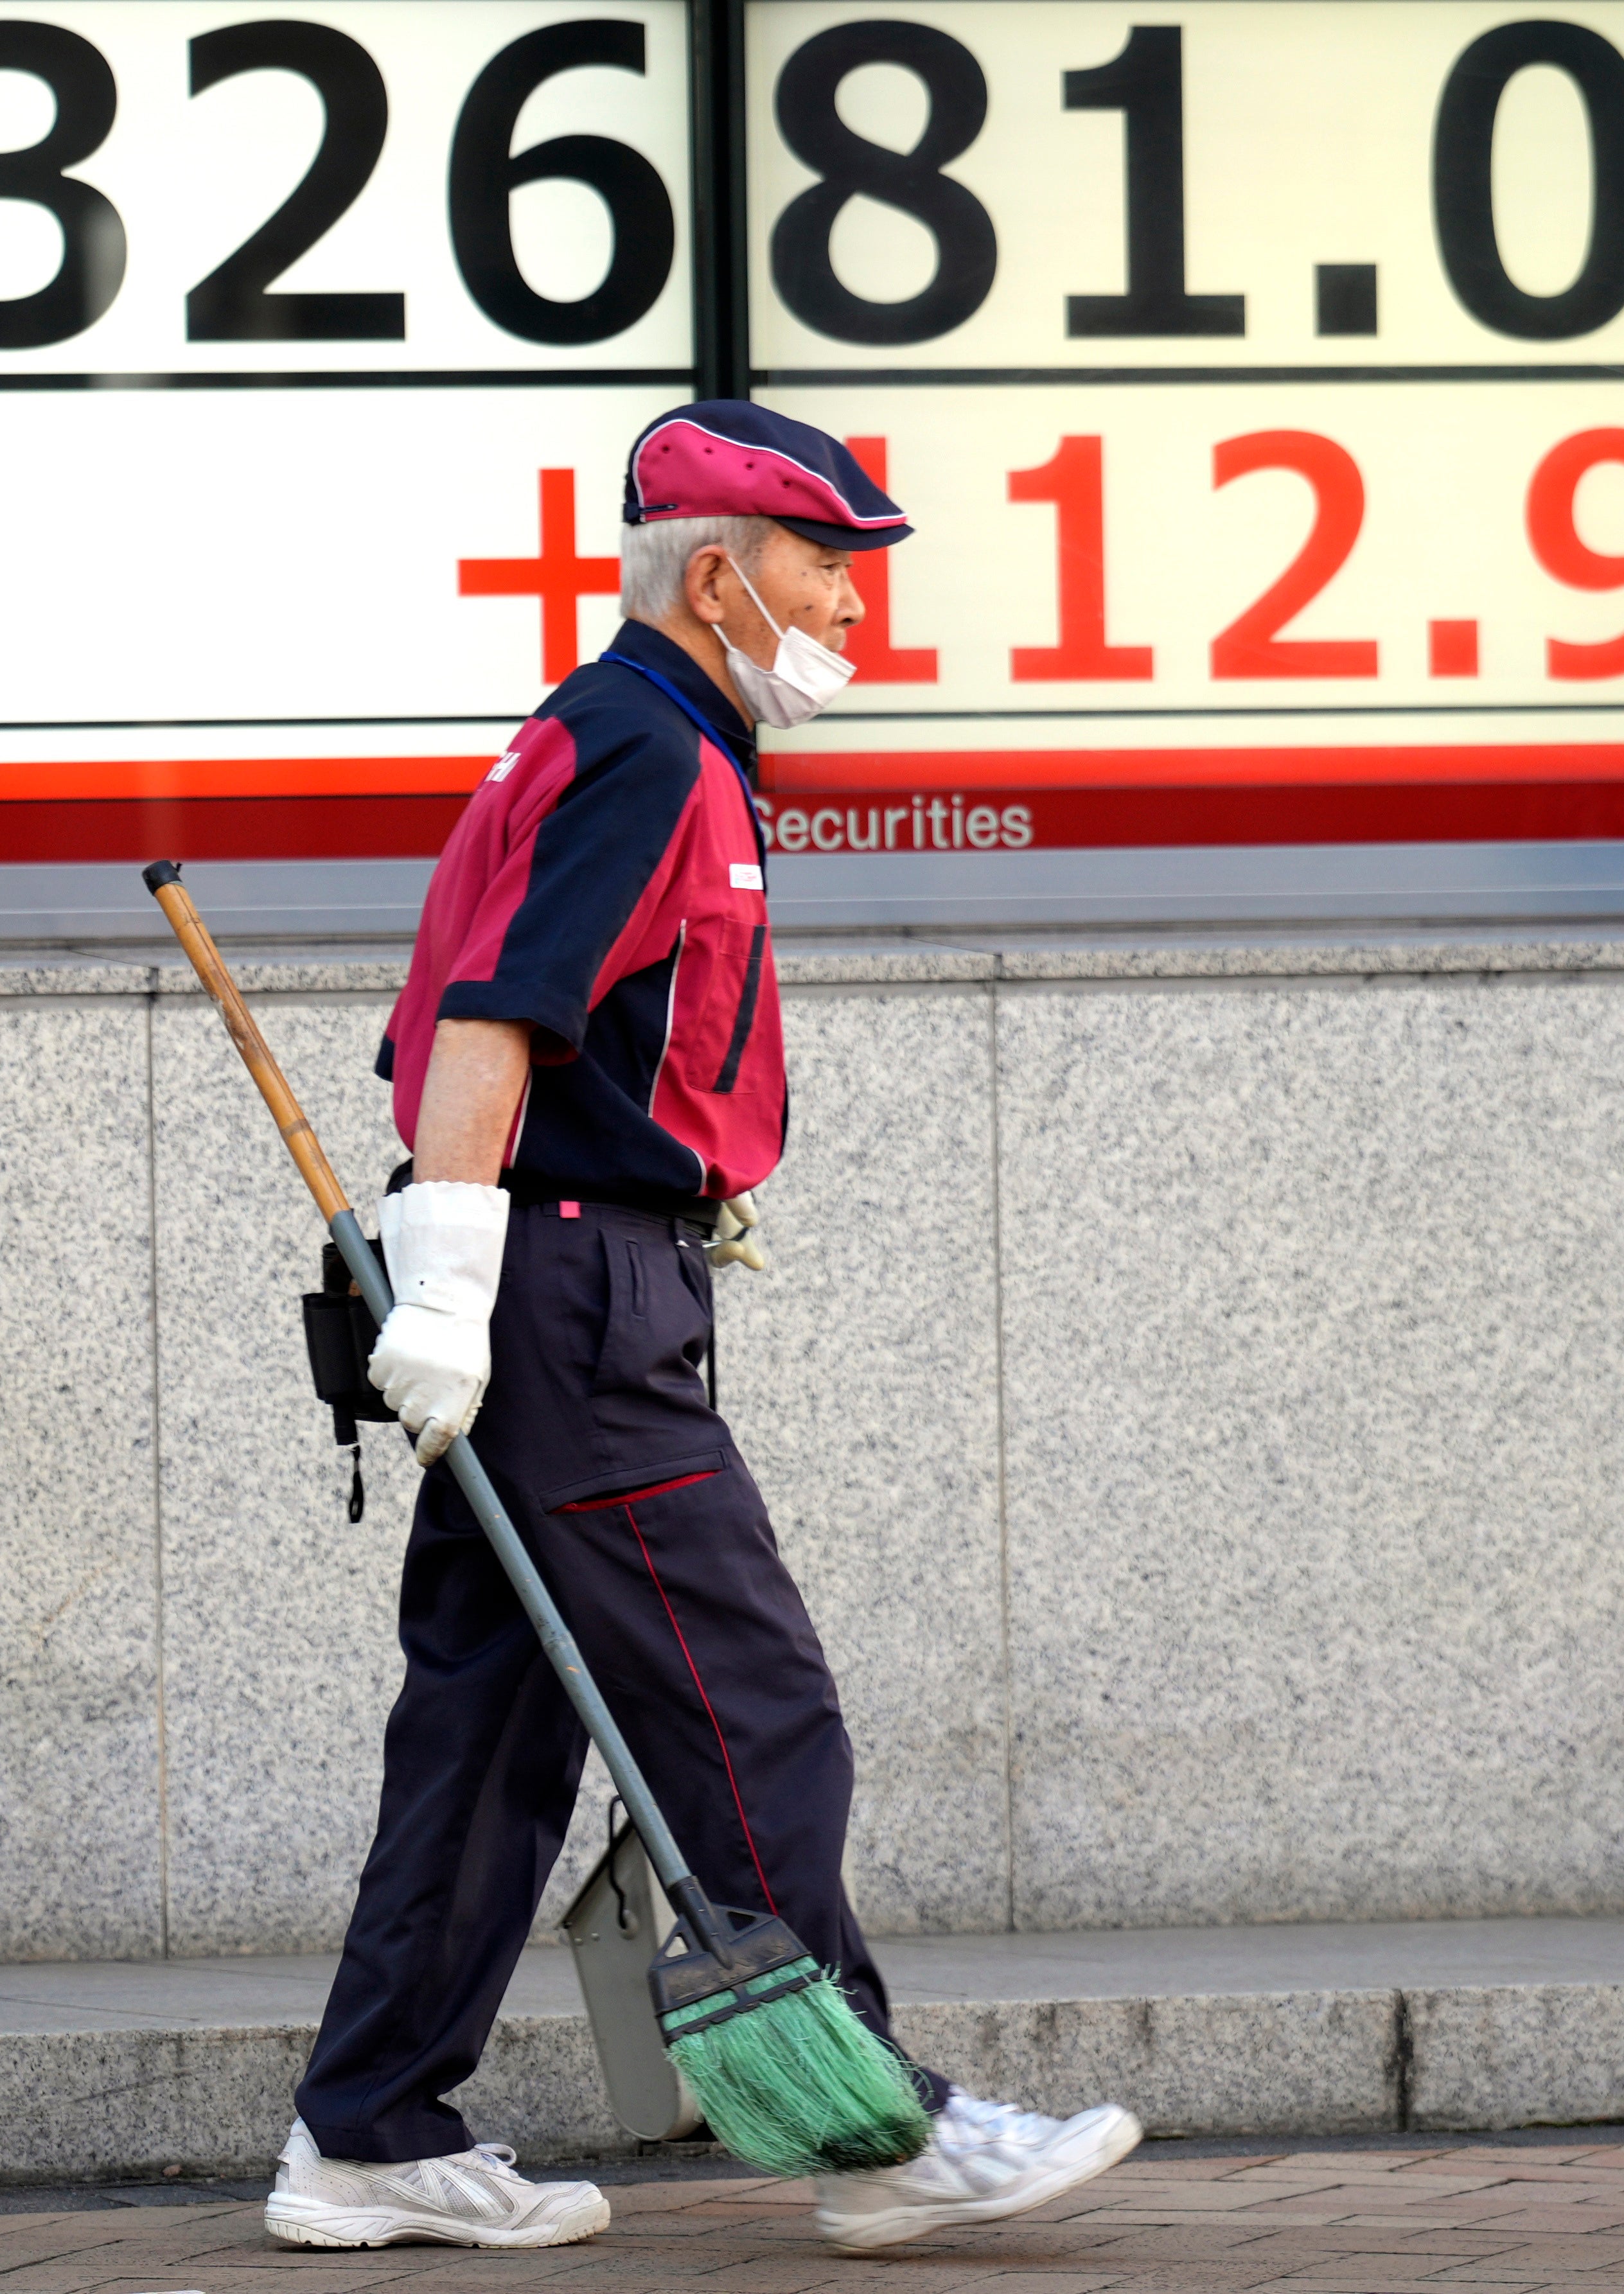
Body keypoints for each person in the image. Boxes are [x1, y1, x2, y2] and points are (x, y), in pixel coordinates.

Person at [263, 403, 1138, 2256]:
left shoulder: (634, 740)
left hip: (557, 1277)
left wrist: (453, 1280)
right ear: (722, 573)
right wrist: (452, 1283)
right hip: (577, 1292)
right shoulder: (647, 751)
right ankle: (875, 2131)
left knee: (490, 1735)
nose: (853, 605)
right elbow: (496, 1018)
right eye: (829, 564)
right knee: (750, 1705)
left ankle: (365, 2128)